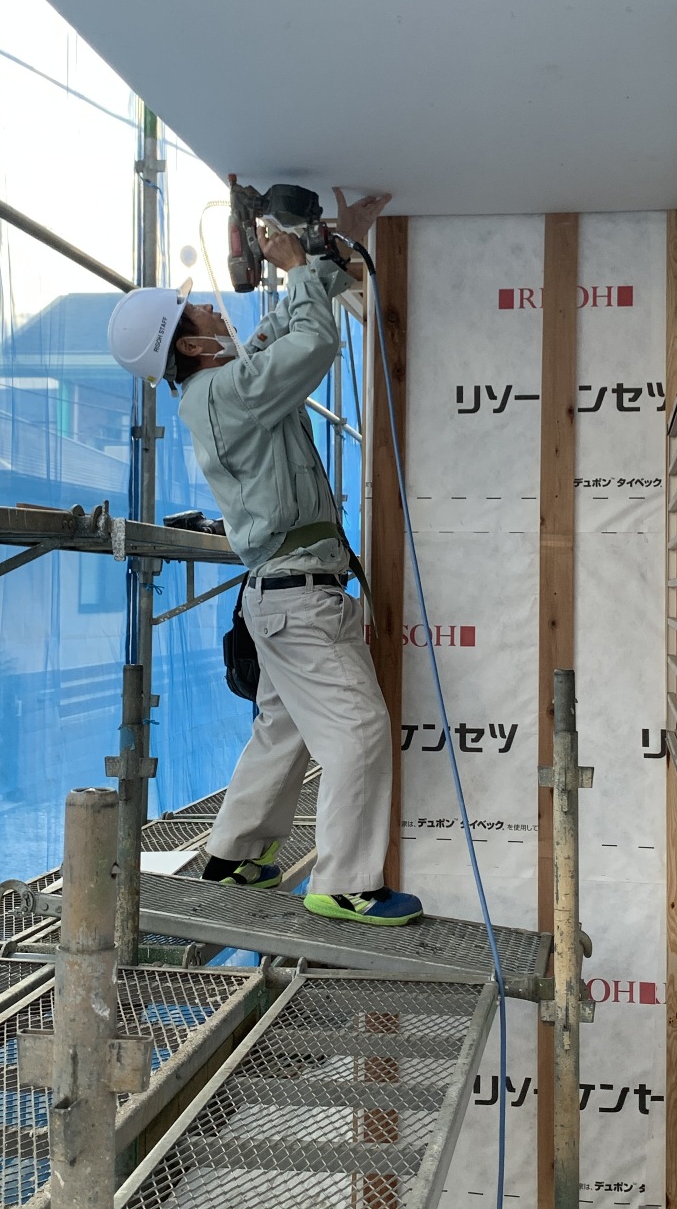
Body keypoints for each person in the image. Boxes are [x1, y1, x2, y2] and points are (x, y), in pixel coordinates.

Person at [107, 189, 422, 927]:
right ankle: (345, 882)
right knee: (361, 733)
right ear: (189, 345)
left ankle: (233, 853)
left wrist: (305, 263)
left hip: (290, 595)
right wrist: (305, 267)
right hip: (296, 598)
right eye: (203, 313)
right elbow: (310, 347)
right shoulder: (221, 396)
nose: (218, 310)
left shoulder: (222, 388)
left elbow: (279, 340)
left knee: (283, 730)